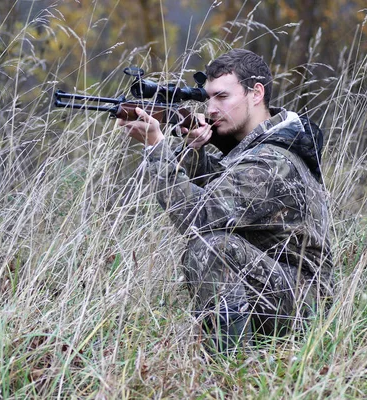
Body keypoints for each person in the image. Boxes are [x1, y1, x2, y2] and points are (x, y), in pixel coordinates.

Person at [118, 49, 333, 353]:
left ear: (255, 93)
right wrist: (194, 150)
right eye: (208, 98)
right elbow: (224, 193)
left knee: (209, 247)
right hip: (281, 287)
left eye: (222, 97)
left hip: (305, 307)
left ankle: (226, 363)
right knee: (212, 244)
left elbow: (196, 218)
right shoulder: (257, 147)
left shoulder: (271, 162)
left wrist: (157, 148)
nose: (211, 108)